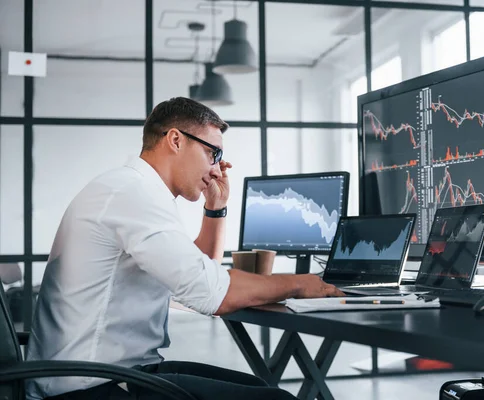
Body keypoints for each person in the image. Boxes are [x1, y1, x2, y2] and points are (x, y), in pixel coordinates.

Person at [26, 97, 344, 400]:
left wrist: (215, 208)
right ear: (176, 140)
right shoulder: (134, 193)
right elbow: (209, 292)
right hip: (89, 386)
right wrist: (301, 283)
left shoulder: (132, 189)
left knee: (259, 386)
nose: (217, 169)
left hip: (116, 372)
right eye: (213, 154)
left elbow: (200, 269)